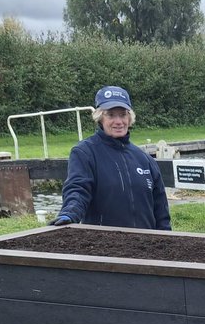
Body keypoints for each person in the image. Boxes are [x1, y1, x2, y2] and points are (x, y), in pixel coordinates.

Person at [52, 85, 171, 230]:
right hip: (104, 245)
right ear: (100, 117)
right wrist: (69, 214)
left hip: (145, 245)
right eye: (111, 115)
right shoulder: (84, 153)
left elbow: (161, 210)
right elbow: (78, 189)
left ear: (129, 117)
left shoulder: (144, 159)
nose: (118, 121)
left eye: (122, 114)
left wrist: (166, 238)